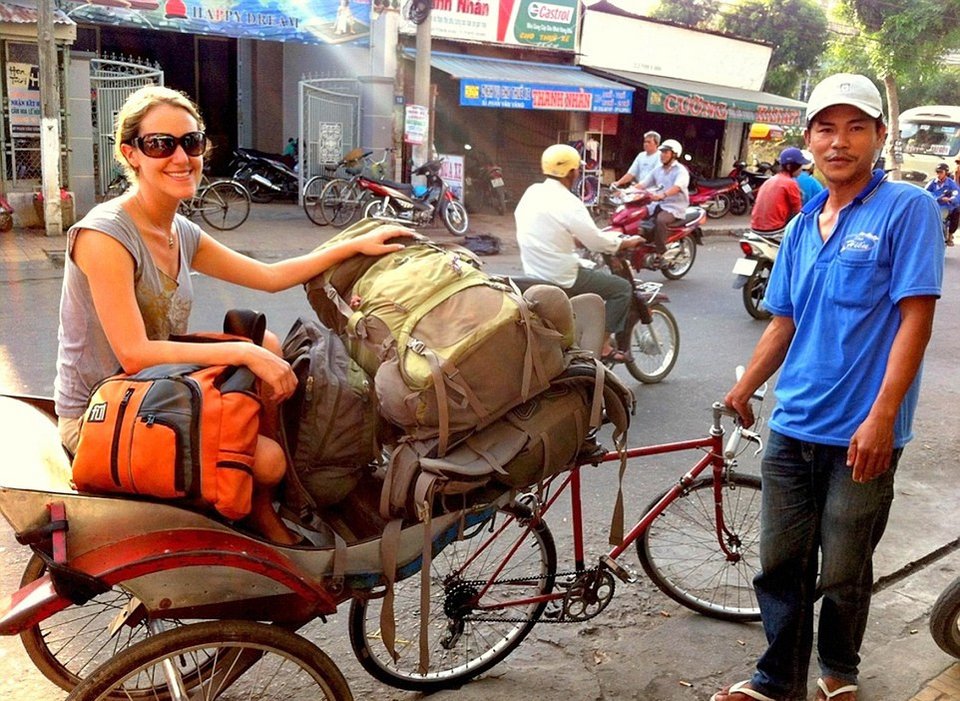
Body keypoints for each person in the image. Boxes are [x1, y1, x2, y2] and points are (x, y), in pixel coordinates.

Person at [54, 85, 405, 545]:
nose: (180, 157)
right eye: (161, 144)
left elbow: (269, 275)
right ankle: (257, 506)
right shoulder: (105, 236)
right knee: (269, 460)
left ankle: (257, 498)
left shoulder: (179, 229)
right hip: (103, 416)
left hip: (155, 392)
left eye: (191, 142)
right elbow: (134, 352)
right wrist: (244, 354)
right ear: (131, 153)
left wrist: (353, 245)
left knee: (271, 346)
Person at [713, 73, 943, 701]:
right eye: (826, 128)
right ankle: (775, 680)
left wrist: (882, 416)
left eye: (855, 127)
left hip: (865, 431)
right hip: (793, 425)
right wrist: (747, 389)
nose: (838, 142)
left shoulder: (908, 208)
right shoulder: (801, 223)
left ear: (878, 136)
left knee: (843, 567)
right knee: (781, 564)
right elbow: (784, 321)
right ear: (809, 138)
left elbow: (914, 319)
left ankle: (839, 670)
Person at [514, 143, 644, 363]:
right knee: (622, 289)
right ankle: (602, 346)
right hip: (561, 274)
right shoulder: (568, 202)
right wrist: (624, 244)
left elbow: (544, 226)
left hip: (534, 271)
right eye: (577, 170)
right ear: (571, 173)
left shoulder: (532, 192)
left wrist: (571, 238)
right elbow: (595, 240)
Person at [634, 138, 690, 264]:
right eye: (662, 152)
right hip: (657, 205)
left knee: (660, 220)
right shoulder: (658, 169)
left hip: (674, 207)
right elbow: (644, 183)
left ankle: (661, 253)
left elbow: (677, 187)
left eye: (666, 152)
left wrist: (663, 195)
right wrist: (628, 191)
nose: (662, 155)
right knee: (637, 217)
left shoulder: (681, 171)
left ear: (674, 155)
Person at [749, 146, 808, 233]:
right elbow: (797, 212)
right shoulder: (790, 183)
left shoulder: (770, 180)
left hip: (755, 228)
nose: (801, 170)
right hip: (775, 229)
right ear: (789, 167)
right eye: (800, 166)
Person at [925, 162, 958, 246]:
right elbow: (925, 193)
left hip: (946, 207)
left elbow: (957, 195)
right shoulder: (932, 183)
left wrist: (951, 199)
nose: (938, 174)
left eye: (941, 172)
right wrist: (938, 198)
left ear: (946, 173)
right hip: (933, 205)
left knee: (955, 213)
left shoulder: (951, 184)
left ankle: (949, 236)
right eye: (937, 172)